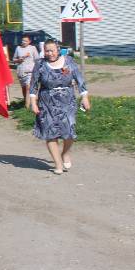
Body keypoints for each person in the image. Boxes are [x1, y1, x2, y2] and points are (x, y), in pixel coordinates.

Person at [28, 39, 90, 175]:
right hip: (46, 103)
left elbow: (79, 80)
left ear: (58, 50)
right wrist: (33, 103)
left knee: (70, 131)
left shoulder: (68, 61)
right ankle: (58, 164)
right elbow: (33, 86)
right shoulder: (40, 64)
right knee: (50, 133)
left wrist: (84, 97)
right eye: (47, 51)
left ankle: (65, 153)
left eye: (52, 50)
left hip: (67, 101)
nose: (49, 53)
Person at [13, 35, 40, 101]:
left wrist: (37, 69)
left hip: (30, 71)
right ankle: (25, 101)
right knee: (24, 88)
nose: (24, 42)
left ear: (29, 42)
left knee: (28, 87)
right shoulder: (18, 48)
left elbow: (37, 59)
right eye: (23, 40)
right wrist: (18, 60)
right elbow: (14, 59)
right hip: (21, 71)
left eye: (26, 41)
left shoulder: (32, 48)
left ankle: (28, 105)